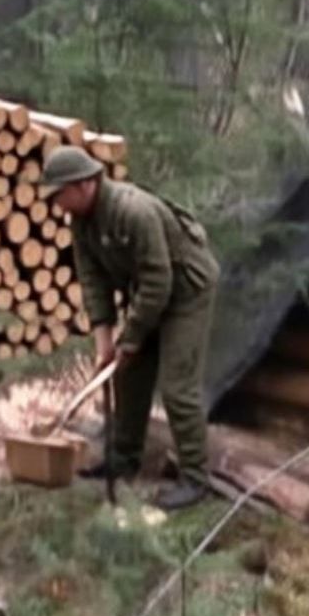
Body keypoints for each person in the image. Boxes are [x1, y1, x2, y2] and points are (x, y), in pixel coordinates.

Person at [39, 146, 219, 510]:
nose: (57, 202)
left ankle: (196, 478)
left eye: (61, 193)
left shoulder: (133, 211)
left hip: (186, 291)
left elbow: (159, 281)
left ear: (86, 184)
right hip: (150, 292)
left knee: (177, 387)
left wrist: (132, 337)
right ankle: (124, 459)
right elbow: (92, 281)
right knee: (125, 373)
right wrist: (105, 341)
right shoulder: (81, 220)